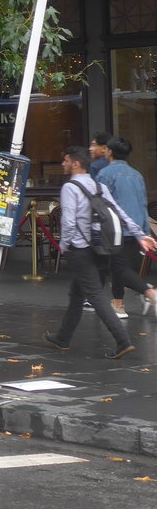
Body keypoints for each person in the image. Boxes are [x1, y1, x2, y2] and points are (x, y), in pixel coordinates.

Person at [43, 146, 157, 359]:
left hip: (81, 249)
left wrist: (64, 246)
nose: (63, 164)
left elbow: (68, 221)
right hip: (102, 249)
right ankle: (63, 338)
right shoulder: (99, 185)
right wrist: (140, 235)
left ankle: (123, 342)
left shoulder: (70, 188)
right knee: (77, 295)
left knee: (95, 295)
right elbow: (119, 212)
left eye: (65, 160)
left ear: (76, 163)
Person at [97, 137, 157, 319]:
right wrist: (145, 231)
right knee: (121, 267)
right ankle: (118, 304)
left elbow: (101, 204)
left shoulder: (104, 175)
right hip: (137, 228)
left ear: (109, 152)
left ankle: (151, 294)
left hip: (116, 229)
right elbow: (142, 202)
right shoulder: (136, 174)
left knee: (119, 269)